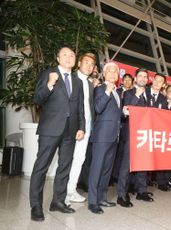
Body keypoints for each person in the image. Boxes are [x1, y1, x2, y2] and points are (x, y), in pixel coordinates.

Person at [30, 47, 85, 221]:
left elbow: (80, 107)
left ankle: (58, 201)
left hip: (71, 131)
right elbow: (37, 98)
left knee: (64, 167)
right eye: (65, 55)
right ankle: (36, 206)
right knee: (41, 167)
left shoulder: (77, 81)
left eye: (72, 55)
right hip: (50, 129)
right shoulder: (49, 73)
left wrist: (81, 127)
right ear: (57, 58)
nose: (69, 58)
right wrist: (49, 84)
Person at [87, 62, 122, 214]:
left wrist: (124, 112)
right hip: (102, 135)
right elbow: (98, 108)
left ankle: (102, 198)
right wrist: (107, 91)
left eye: (116, 72)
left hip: (114, 135)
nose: (113, 74)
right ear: (104, 74)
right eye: (110, 71)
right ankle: (92, 201)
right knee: (97, 168)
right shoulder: (100, 88)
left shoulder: (117, 91)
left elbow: (114, 113)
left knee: (107, 170)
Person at [117, 68, 153, 208]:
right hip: (131, 134)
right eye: (140, 76)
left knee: (143, 163)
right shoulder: (129, 93)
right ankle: (121, 194)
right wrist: (137, 96)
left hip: (144, 135)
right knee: (126, 165)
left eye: (145, 76)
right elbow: (125, 110)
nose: (143, 79)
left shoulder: (149, 95)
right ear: (135, 78)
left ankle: (141, 191)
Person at [66, 53, 95, 204]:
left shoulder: (90, 84)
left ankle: (71, 190)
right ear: (79, 63)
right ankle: (62, 191)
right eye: (86, 63)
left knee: (79, 159)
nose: (89, 66)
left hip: (87, 127)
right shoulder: (71, 78)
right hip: (71, 126)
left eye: (92, 64)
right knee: (66, 159)